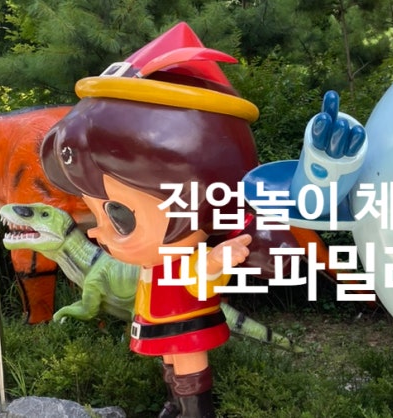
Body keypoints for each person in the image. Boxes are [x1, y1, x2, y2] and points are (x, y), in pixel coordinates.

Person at [40, 28, 261, 417]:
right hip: (159, 312)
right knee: (171, 360)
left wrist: (216, 261)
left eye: (119, 214)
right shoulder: (153, 260)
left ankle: (196, 411)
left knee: (189, 361)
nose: (98, 231)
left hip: (187, 317)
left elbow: (202, 276)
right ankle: (175, 404)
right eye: (98, 212)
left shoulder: (184, 257)